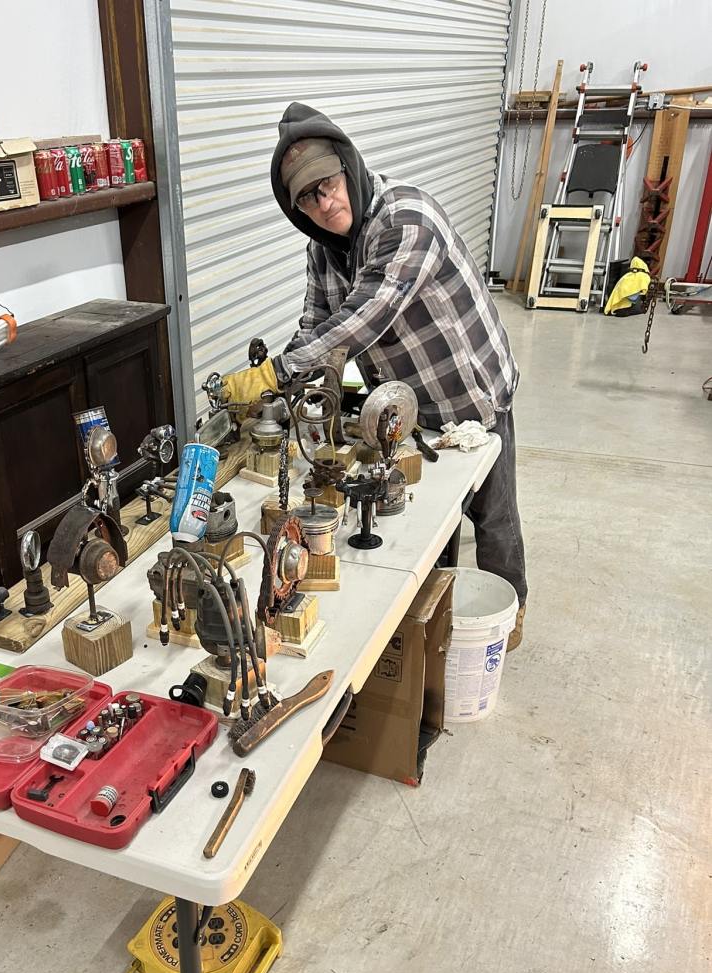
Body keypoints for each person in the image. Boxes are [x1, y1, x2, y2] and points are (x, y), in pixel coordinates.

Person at [223, 103, 528, 649]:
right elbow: (315, 324)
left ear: (351, 169)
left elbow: (364, 316)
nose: (324, 204)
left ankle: (506, 622)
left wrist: (279, 370)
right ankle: (437, 622)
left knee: (493, 518)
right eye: (307, 198)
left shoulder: (407, 219)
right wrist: (287, 388)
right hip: (405, 411)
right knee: (432, 524)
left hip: (469, 396)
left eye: (328, 185)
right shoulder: (321, 252)